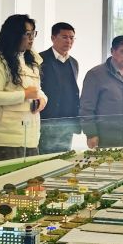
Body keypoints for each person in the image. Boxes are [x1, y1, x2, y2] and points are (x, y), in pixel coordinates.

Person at [0, 14, 47, 164]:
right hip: (2, 140)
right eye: (28, 34)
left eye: (34, 33)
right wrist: (24, 94)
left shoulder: (30, 61)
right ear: (14, 34)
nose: (31, 38)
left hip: (28, 136)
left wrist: (42, 99)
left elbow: (36, 90)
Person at [79, 35, 123, 148]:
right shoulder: (95, 74)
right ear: (112, 51)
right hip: (105, 138)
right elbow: (86, 108)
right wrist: (91, 134)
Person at [38, 22, 80, 153]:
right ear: (53, 38)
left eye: (72, 38)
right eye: (64, 37)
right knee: (44, 159)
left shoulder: (73, 62)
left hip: (67, 122)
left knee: (64, 157)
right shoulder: (40, 59)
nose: (69, 41)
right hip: (47, 121)